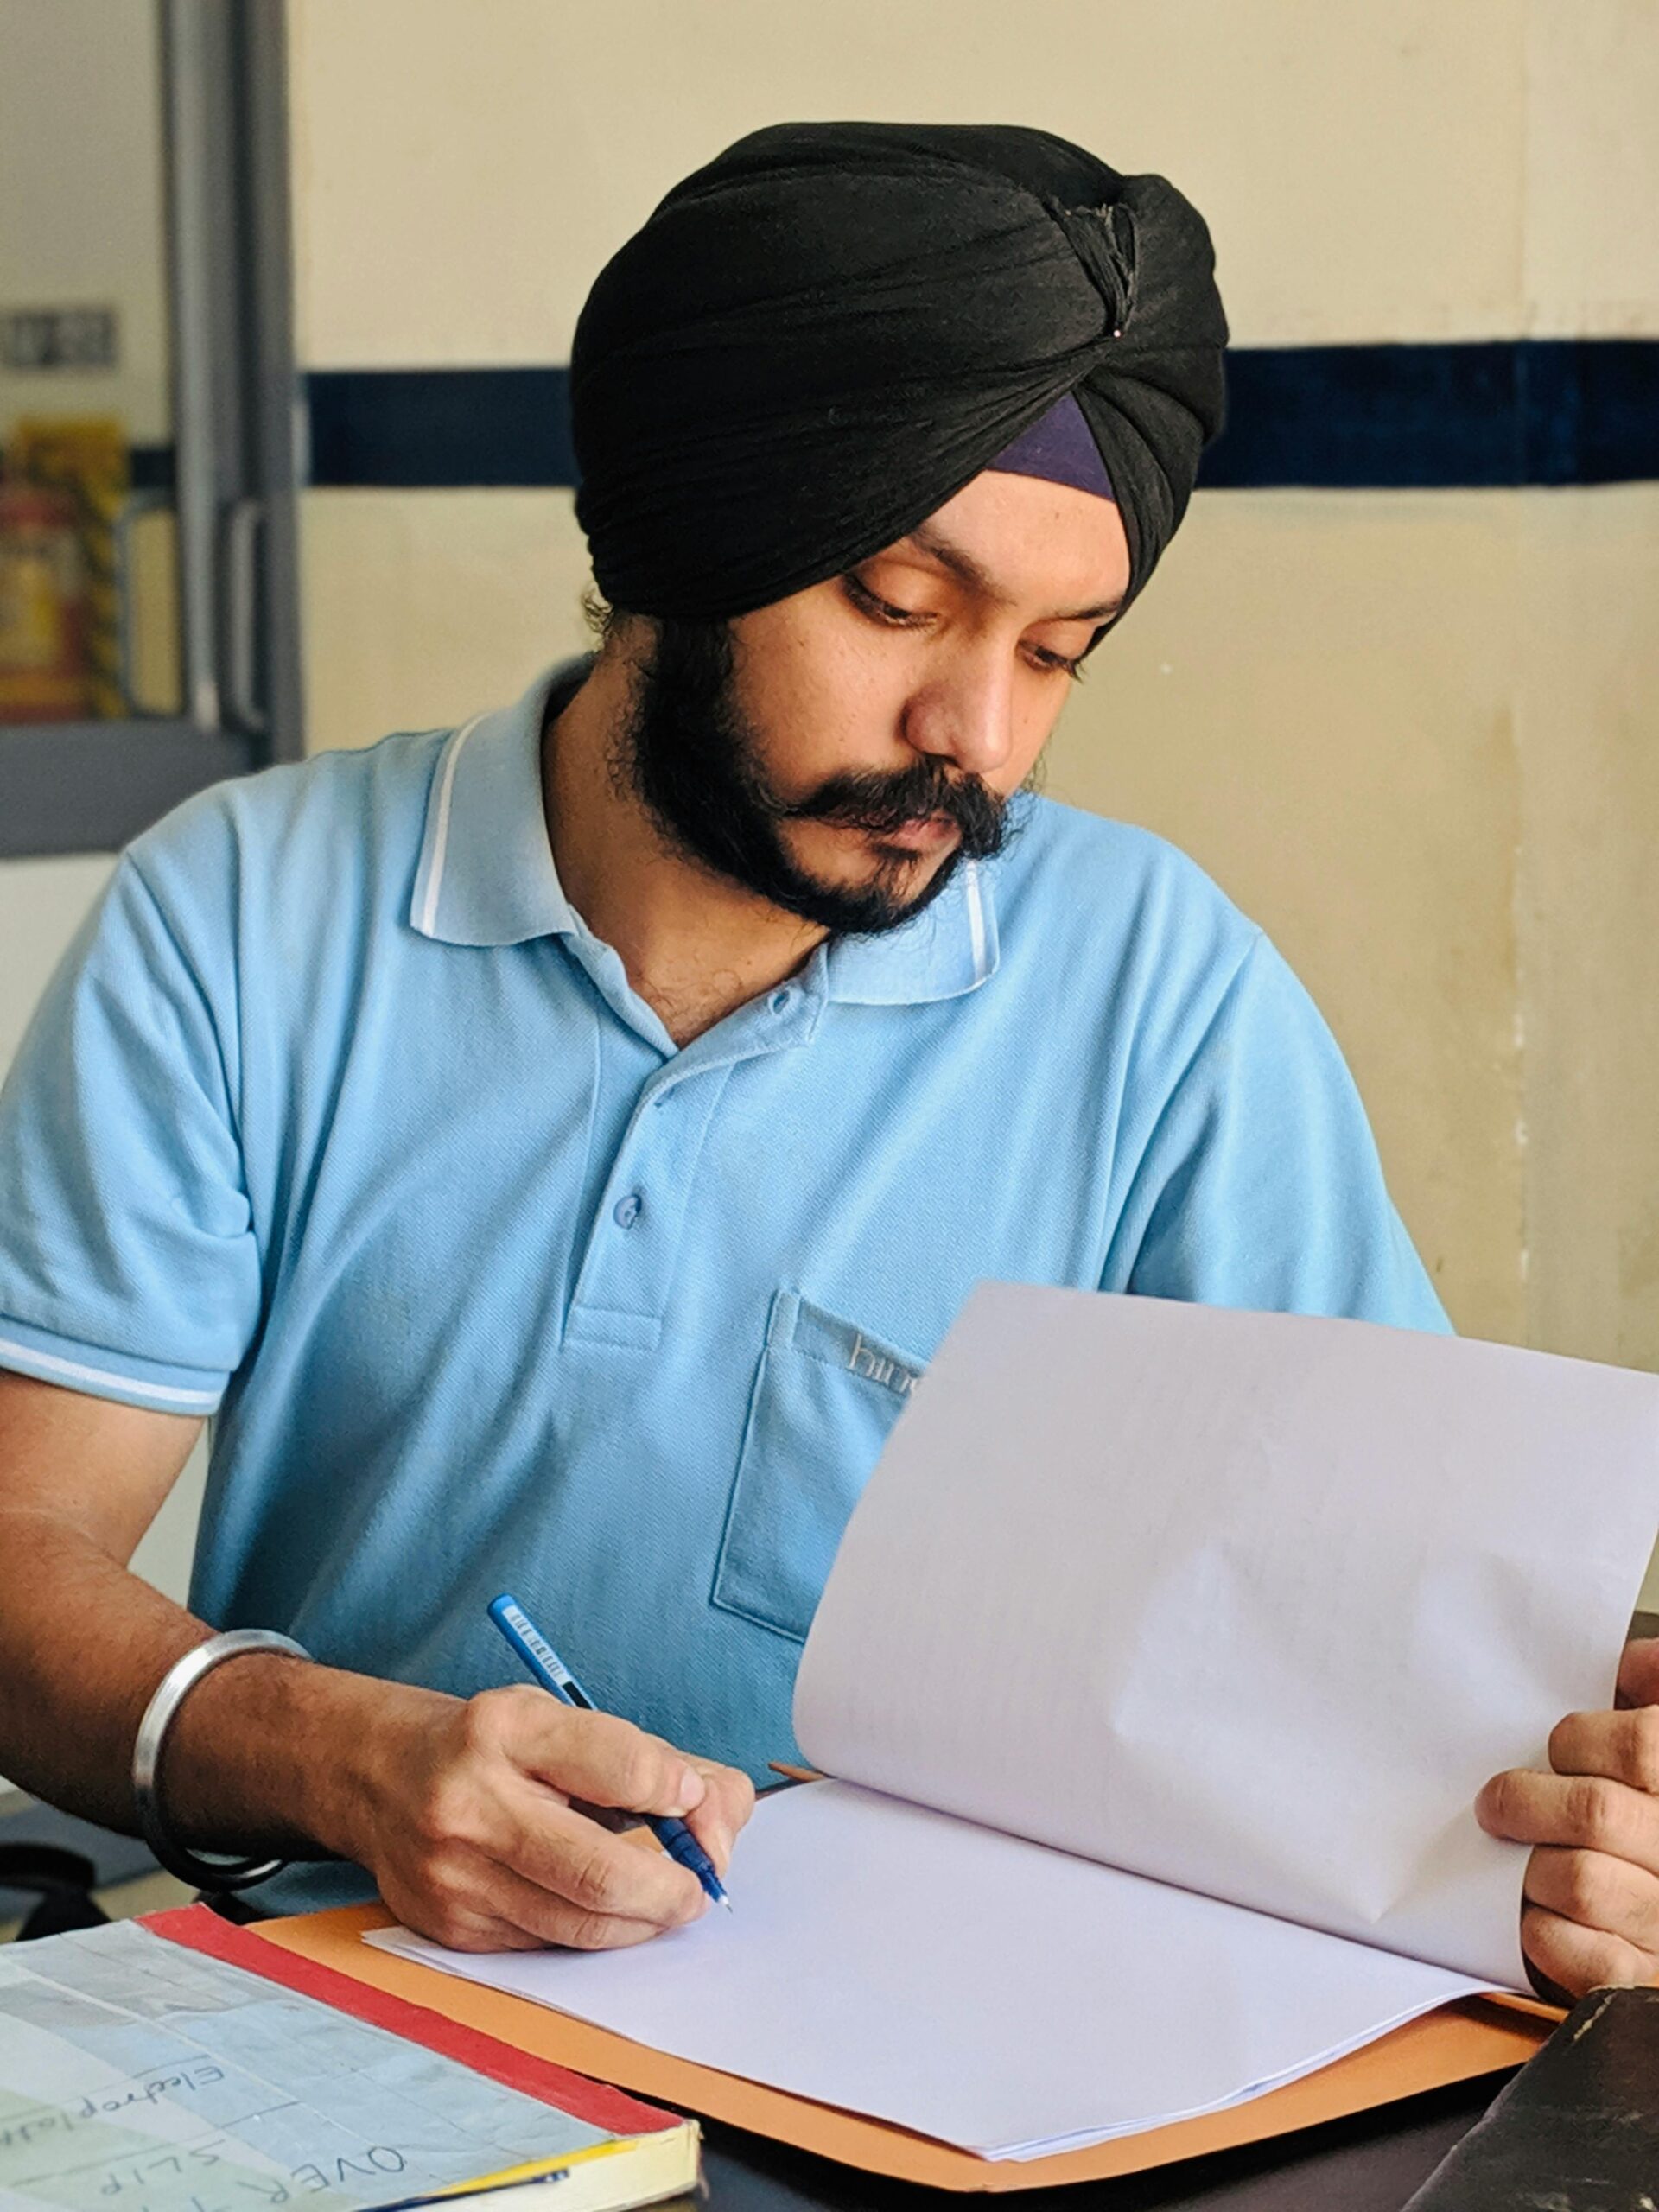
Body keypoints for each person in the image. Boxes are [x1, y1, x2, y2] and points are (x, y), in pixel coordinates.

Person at [0, 123, 1653, 1993]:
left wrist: (1578, 1812)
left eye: (1060, 652)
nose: (981, 736)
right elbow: (16, 1559)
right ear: (682, 549)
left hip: (967, 2051)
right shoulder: (236, 921)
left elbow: (1387, 1650)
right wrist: (347, 1757)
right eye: (901, 603)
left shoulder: (1162, 989)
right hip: (377, 2018)